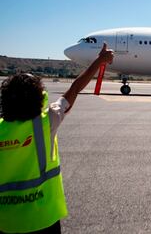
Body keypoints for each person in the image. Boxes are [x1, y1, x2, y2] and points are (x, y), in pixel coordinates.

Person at [0, 43, 114, 234]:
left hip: (6, 223)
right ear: (40, 98)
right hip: (43, 219)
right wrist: (100, 61)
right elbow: (75, 88)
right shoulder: (47, 122)